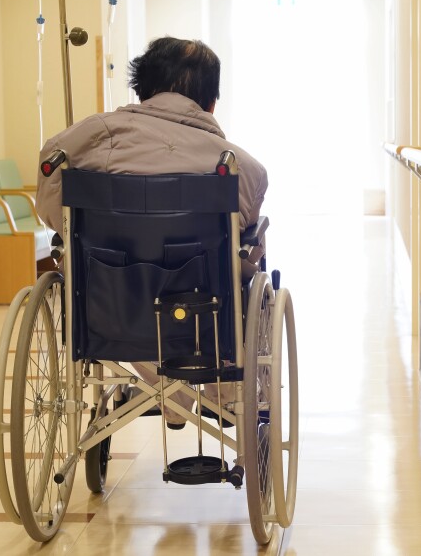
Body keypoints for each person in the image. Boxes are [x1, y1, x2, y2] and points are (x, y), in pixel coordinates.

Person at [36, 36, 268, 428]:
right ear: (211, 102)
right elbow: (242, 240)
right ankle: (221, 393)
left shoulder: (75, 145)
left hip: (109, 310)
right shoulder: (243, 167)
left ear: (141, 90)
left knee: (108, 283)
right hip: (202, 313)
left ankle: (165, 385)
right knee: (242, 266)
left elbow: (52, 214)